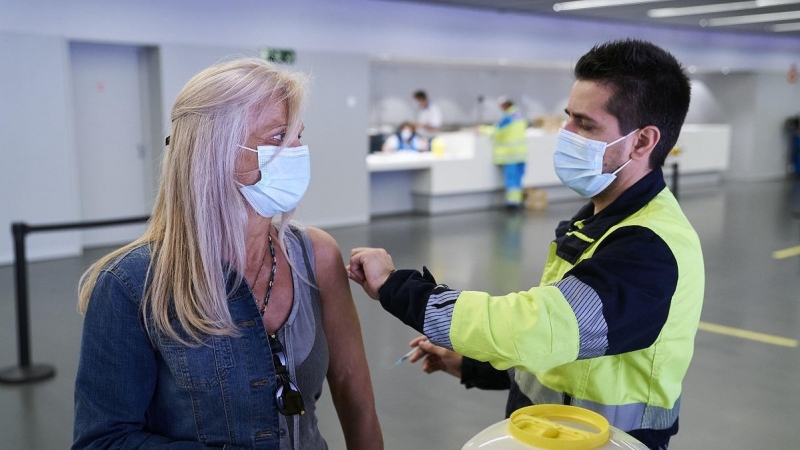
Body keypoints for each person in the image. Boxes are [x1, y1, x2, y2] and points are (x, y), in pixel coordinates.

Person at [348, 39, 702, 450]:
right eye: (568, 118)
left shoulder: (647, 247)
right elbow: (565, 347)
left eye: (585, 125)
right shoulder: (599, 221)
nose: (564, 134)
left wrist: (396, 287)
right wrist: (474, 366)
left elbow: (532, 328)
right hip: (555, 433)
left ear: (642, 142)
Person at [73, 58, 383, 450]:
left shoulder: (316, 255)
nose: (296, 152)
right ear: (214, 152)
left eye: (298, 137)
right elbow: (103, 441)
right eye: (278, 137)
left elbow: (355, 395)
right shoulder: (131, 285)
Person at [479, 96, 529, 208]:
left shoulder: (508, 118)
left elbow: (497, 131)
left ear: (505, 106)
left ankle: (512, 202)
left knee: (511, 179)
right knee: (518, 178)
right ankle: (518, 200)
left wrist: (482, 129)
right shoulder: (519, 115)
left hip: (510, 154)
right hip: (521, 153)